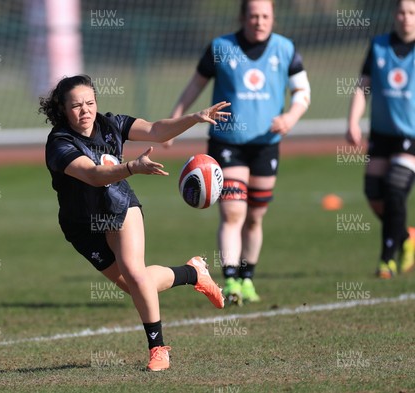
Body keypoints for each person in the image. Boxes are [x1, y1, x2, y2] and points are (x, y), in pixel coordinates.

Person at [41, 74, 229, 371]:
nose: (85, 110)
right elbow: (91, 174)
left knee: (134, 272)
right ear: (62, 109)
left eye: (90, 102)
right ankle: (193, 272)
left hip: (119, 207)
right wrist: (132, 167)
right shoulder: (59, 143)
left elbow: (156, 130)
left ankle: (158, 349)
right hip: (81, 225)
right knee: (135, 285)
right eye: (76, 105)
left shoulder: (111, 124)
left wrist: (195, 117)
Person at [169, 0, 310, 305]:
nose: (259, 21)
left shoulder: (285, 49)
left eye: (265, 16)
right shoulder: (221, 47)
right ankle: (230, 279)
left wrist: (290, 118)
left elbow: (303, 92)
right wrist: (175, 120)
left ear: (272, 18)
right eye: (254, 15)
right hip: (227, 143)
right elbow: (195, 86)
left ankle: (247, 279)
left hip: (266, 145)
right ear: (243, 17)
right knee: (233, 212)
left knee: (255, 217)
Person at [346, 0, 415, 278]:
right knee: (374, 194)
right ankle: (406, 239)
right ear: (393, 15)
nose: (406, 18)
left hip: (411, 136)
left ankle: (386, 259)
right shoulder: (378, 46)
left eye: (412, 13)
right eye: (401, 12)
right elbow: (363, 87)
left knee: (394, 190)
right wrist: (352, 121)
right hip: (381, 135)